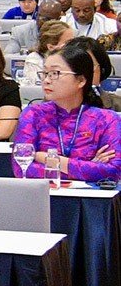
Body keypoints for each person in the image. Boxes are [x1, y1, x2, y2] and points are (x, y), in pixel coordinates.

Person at [13, 40, 121, 182]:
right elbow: (22, 169)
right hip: (43, 196)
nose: (46, 80)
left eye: (54, 73)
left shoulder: (107, 119)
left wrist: (49, 159)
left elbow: (113, 171)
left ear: (81, 80)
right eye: (45, 73)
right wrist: (90, 168)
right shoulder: (32, 114)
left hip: (90, 199)